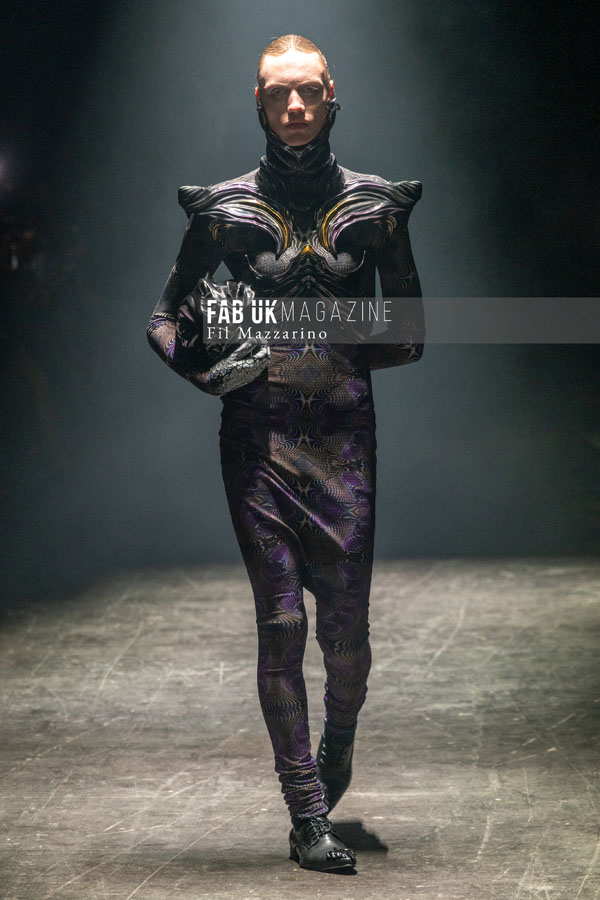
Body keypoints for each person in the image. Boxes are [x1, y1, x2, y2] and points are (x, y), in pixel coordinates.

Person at [147, 34, 424, 872]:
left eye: (306, 91)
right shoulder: (223, 211)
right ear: (259, 102)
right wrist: (207, 372)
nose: (294, 106)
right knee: (281, 624)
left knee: (345, 638)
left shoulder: (376, 207)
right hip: (256, 443)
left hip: (343, 443)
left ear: (332, 96)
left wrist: (313, 342)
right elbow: (164, 318)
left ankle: (339, 737)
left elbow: (409, 333)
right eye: (278, 93)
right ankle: (305, 811)